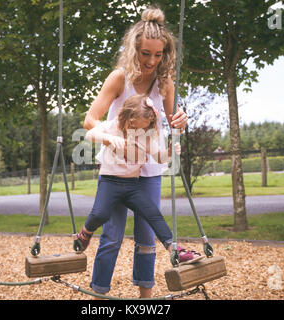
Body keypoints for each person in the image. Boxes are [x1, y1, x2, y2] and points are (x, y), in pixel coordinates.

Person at [83, 6, 188, 298]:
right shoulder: (119, 78)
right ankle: (99, 294)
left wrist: (180, 120)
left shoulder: (165, 83)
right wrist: (112, 141)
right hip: (117, 171)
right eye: (146, 54)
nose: (152, 61)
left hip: (150, 170)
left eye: (159, 55)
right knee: (112, 236)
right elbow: (90, 120)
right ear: (134, 49)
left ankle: (146, 298)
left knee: (146, 237)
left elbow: (173, 119)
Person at [76, 94, 197, 267]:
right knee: (100, 214)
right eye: (131, 126)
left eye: (141, 128)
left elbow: (160, 157)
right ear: (125, 116)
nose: (134, 132)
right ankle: (86, 232)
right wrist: (109, 138)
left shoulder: (145, 137)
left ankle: (175, 249)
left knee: (153, 214)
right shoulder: (113, 126)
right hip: (110, 183)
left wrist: (170, 152)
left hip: (133, 186)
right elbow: (90, 134)